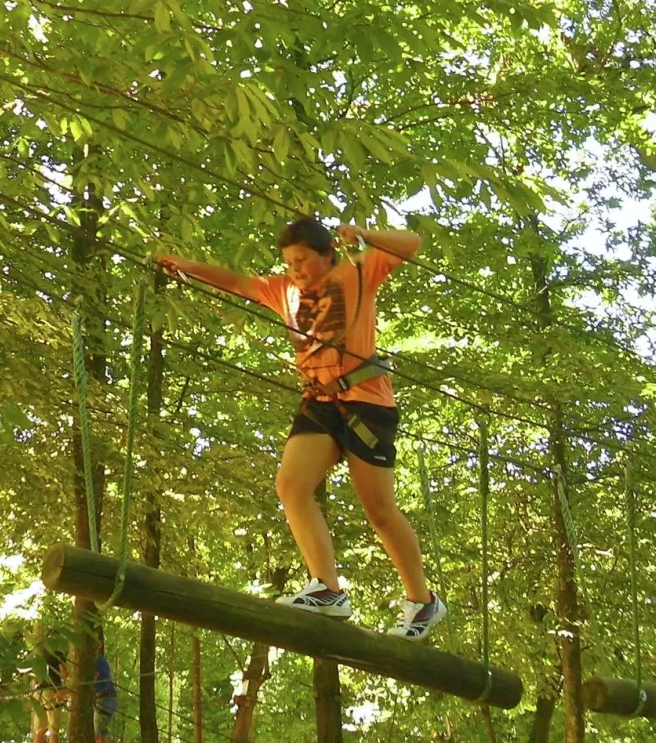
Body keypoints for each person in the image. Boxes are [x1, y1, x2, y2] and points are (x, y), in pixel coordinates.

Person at [157, 217, 448, 641]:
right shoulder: (283, 291)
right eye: (289, 263)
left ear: (326, 255)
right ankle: (328, 589)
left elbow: (412, 242)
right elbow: (237, 282)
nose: (296, 270)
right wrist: (185, 266)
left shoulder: (356, 272)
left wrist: (364, 237)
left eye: (303, 261)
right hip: (320, 401)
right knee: (291, 487)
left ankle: (422, 601)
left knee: (379, 510)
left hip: (366, 402)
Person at [93, 642, 119, 742]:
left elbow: (92, 679)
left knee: (98, 732)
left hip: (105, 699)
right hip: (103, 699)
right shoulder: (97, 661)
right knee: (101, 731)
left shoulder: (100, 661)